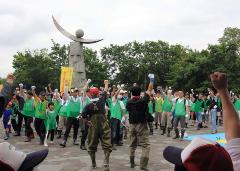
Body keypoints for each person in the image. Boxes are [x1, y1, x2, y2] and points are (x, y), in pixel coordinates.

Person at [82, 80, 111, 171]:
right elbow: (105, 91)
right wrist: (106, 84)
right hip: (103, 124)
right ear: (98, 94)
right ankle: (106, 162)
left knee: (91, 144)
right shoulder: (102, 101)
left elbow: (83, 115)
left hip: (93, 126)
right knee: (107, 142)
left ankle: (94, 164)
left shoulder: (88, 105)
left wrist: (87, 121)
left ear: (90, 94)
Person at [126, 74, 154, 171]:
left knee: (132, 145)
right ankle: (143, 166)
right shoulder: (143, 101)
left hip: (132, 125)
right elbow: (149, 89)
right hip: (141, 124)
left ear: (132, 93)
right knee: (145, 145)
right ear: (139, 92)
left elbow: (128, 110)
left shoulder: (128, 102)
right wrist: (152, 79)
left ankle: (132, 163)